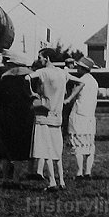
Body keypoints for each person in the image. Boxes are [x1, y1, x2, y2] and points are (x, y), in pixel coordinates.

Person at [26, 48, 84, 191]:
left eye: (40, 57)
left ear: (47, 58)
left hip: (43, 115)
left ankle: (52, 182)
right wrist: (68, 98)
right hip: (57, 116)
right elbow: (81, 83)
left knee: (46, 150)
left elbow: (26, 78)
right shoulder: (62, 73)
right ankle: (62, 180)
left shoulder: (42, 72)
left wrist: (33, 93)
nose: (39, 60)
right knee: (57, 150)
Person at [0, 50, 34, 186]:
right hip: (23, 123)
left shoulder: (1, 83)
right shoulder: (29, 83)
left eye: (5, 62)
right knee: (19, 152)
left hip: (4, 122)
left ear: (11, 64)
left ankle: (5, 178)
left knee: (4, 152)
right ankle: (16, 179)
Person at [68, 57, 99, 179]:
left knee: (78, 144)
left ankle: (80, 171)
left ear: (82, 68)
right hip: (90, 115)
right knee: (90, 145)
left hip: (79, 114)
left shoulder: (80, 81)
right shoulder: (94, 82)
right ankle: (88, 171)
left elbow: (73, 96)